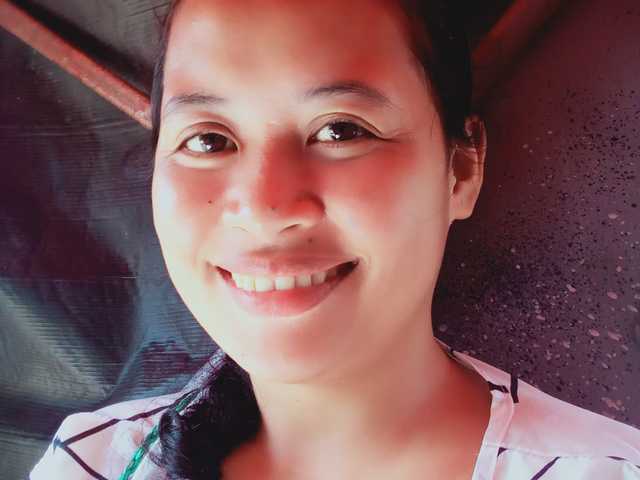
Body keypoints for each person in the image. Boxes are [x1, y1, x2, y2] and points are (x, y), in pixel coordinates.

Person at [30, 0, 640, 479]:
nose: (265, 209)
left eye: (342, 131)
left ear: (461, 170)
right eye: (208, 140)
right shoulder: (94, 462)